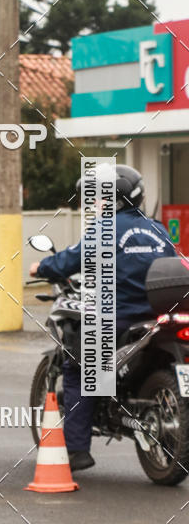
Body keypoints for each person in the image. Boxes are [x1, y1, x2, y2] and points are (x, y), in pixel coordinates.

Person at [29, 165, 177, 472]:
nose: (96, 204)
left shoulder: (105, 229)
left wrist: (41, 268)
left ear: (115, 199)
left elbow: (70, 259)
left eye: (99, 198)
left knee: (79, 369)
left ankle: (77, 450)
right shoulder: (157, 229)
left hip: (118, 318)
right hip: (157, 318)